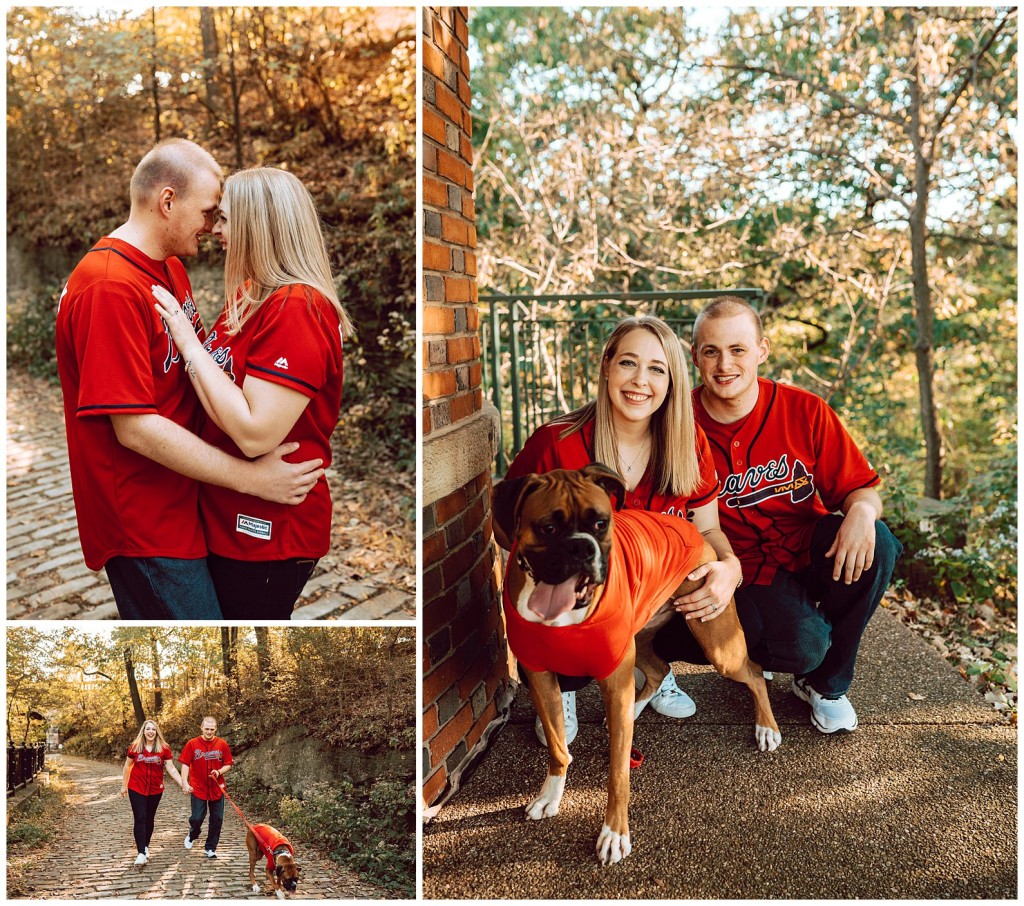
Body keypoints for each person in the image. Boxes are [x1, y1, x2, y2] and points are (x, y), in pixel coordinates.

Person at [55, 139, 325, 620]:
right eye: (208, 212)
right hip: (147, 520)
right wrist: (252, 480)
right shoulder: (109, 287)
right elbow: (134, 426)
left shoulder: (168, 271)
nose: (212, 225)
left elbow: (201, 369)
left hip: (192, 504)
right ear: (167, 202)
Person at [656, 296, 903, 733]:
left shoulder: (804, 410)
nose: (724, 364)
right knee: (802, 645)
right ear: (694, 356)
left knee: (878, 542)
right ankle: (783, 648)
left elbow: (860, 488)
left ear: (762, 351)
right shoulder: (676, 422)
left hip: (806, 548)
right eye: (710, 351)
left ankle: (826, 684)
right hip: (741, 570)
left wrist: (863, 512)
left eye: (738, 350)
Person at [501, 315, 742, 745]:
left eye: (656, 368)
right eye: (628, 363)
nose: (640, 381)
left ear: (671, 380)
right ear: (606, 367)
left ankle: (653, 670)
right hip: (571, 600)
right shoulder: (556, 443)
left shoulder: (688, 442)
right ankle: (562, 689)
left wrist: (729, 567)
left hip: (649, 599)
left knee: (749, 630)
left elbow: (707, 530)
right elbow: (507, 524)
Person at [153, 167, 352, 619]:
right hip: (227, 517)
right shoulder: (251, 294)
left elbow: (254, 433)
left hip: (269, 532)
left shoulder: (298, 306)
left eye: (224, 219)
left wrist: (186, 341)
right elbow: (216, 388)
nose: (214, 229)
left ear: (258, 225)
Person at [121, 719, 185, 866]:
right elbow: (127, 767)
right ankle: (141, 853)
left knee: (149, 818)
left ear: (157, 732)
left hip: (156, 789)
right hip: (136, 787)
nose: (150, 732)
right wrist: (124, 786)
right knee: (140, 817)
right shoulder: (135, 747)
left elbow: (171, 768)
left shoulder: (164, 748)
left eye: (153, 729)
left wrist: (183, 783)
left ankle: (145, 846)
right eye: (148, 729)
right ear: (143, 731)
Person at [179, 716, 233, 859]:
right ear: (201, 728)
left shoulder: (222, 744)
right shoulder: (192, 744)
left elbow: (228, 763)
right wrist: (184, 782)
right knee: (197, 817)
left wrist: (219, 772)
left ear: (216, 729)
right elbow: (185, 763)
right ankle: (193, 834)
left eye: (212, 729)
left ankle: (210, 848)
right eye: (206, 729)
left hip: (217, 787)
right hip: (198, 787)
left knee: (217, 818)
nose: (209, 731)